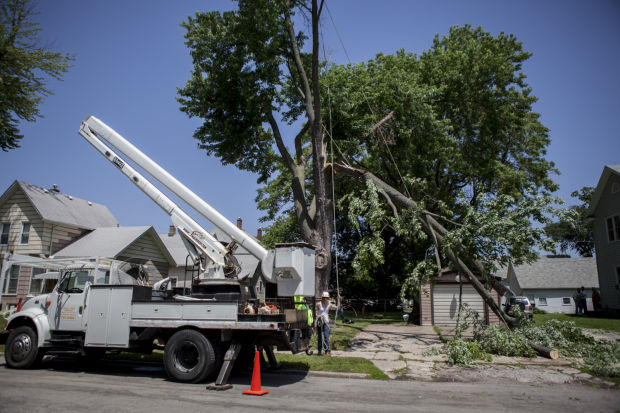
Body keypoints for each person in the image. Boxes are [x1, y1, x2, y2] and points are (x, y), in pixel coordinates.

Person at [316, 291, 337, 356]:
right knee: (319, 337)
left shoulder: (329, 304)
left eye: (326, 298)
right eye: (324, 297)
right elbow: (315, 312)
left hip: (326, 322)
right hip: (319, 322)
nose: (325, 299)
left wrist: (339, 300)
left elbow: (337, 307)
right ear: (322, 297)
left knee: (326, 337)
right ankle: (319, 351)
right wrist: (318, 316)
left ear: (328, 298)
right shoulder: (318, 304)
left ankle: (327, 351)